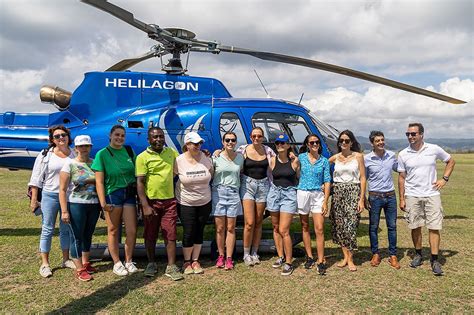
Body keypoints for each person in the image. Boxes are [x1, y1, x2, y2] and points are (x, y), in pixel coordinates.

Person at [398, 123, 455, 276]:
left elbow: (450, 161)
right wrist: (402, 198)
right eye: (408, 134)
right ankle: (418, 254)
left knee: (434, 226)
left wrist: (444, 179)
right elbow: (402, 177)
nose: (410, 137)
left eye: (413, 134)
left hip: (432, 194)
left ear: (421, 134)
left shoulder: (433, 149)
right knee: (415, 226)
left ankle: (434, 259)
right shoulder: (403, 153)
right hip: (412, 194)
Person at [136, 127, 183, 281]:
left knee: (170, 233)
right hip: (151, 202)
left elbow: (185, 161)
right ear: (149, 140)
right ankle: (151, 263)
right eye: (154, 137)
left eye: (161, 137)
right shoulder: (142, 157)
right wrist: (145, 205)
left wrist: (206, 155)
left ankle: (171, 266)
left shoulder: (171, 153)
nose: (158, 140)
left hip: (169, 201)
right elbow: (140, 182)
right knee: (151, 234)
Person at [28, 125, 75, 278]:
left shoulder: (74, 154)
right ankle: (45, 264)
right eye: (57, 136)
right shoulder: (45, 154)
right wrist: (34, 200)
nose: (61, 138)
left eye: (63, 135)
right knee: (47, 228)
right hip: (49, 195)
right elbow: (36, 179)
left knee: (65, 229)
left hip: (68, 196)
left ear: (68, 136)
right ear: (52, 140)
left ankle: (66, 259)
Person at [92, 125, 138, 276]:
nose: (120, 138)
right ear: (110, 135)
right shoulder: (102, 154)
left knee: (131, 230)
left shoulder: (129, 151)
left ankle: (129, 260)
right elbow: (99, 181)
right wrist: (102, 202)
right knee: (113, 230)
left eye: (123, 135)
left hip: (129, 194)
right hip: (113, 194)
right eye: (117, 135)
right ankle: (117, 262)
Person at [59, 135, 100, 281]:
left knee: (88, 235)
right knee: (77, 236)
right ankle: (79, 268)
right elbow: (62, 190)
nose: (84, 149)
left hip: (94, 204)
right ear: (75, 148)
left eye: (87, 146)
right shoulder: (69, 164)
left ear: (90, 147)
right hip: (76, 204)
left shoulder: (95, 163)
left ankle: (86, 262)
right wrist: (64, 210)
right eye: (81, 146)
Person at [175, 131, 213, 275]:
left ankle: (195, 260)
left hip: (205, 201)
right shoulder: (179, 160)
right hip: (186, 202)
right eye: (194, 143)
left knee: (199, 230)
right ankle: (186, 261)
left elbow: (212, 173)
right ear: (187, 144)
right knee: (189, 231)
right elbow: (172, 177)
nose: (198, 146)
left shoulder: (206, 157)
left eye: (199, 143)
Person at [237, 127, 276, 266]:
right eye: (254, 136)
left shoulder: (268, 151)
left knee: (259, 221)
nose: (256, 138)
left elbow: (277, 162)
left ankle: (255, 252)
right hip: (247, 185)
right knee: (249, 222)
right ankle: (246, 254)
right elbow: (229, 156)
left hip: (263, 186)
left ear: (263, 137)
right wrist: (217, 152)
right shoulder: (243, 149)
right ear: (250, 136)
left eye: (259, 136)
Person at [329, 130, 366, 272]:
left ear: (351, 142)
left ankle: (351, 259)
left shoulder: (358, 157)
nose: (344, 143)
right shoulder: (335, 158)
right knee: (339, 226)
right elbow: (320, 166)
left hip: (353, 191)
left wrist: (361, 199)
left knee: (350, 226)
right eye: (341, 141)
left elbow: (362, 178)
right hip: (338, 192)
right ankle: (345, 256)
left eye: (347, 140)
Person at [364, 131, 400, 269]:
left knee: (392, 226)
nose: (380, 142)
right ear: (372, 143)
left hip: (390, 196)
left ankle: (393, 255)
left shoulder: (391, 155)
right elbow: (363, 179)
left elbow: (400, 169)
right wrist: (363, 197)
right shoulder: (367, 159)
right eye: (377, 140)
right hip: (374, 197)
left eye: (382, 140)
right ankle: (375, 253)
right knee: (373, 227)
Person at [297, 134, 331, 275]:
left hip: (318, 194)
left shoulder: (323, 161)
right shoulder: (301, 158)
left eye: (317, 142)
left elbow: (327, 181)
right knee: (305, 226)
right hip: (303, 193)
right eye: (311, 142)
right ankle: (310, 256)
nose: (314, 144)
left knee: (319, 228)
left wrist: (325, 201)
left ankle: (321, 259)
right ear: (307, 144)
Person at [267, 134, 300, 276]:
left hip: (289, 195)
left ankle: (289, 262)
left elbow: (299, 177)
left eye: (283, 143)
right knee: (275, 228)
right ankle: (280, 256)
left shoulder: (294, 161)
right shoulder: (272, 160)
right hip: (274, 194)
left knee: (284, 229)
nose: (280, 145)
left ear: (288, 145)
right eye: (278, 143)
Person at [211, 132, 244, 271]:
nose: (230, 142)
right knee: (220, 228)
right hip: (218, 192)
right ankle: (221, 255)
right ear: (223, 142)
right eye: (227, 140)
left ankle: (229, 258)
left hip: (233, 193)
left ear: (236, 142)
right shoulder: (216, 158)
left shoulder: (241, 158)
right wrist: (215, 153)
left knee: (231, 228)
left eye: (233, 140)